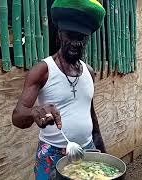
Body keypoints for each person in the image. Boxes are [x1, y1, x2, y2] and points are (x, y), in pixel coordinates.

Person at [11, 0, 106, 179]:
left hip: (85, 152)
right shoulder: (43, 70)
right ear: (59, 35)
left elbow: (91, 116)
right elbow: (17, 117)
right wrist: (34, 112)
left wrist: (103, 153)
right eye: (70, 35)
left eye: (81, 37)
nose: (76, 43)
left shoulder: (89, 72)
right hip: (51, 156)